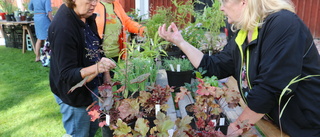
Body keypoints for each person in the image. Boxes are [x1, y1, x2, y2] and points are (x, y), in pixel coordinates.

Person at [158, 0, 320, 136]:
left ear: (244, 2)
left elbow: (270, 87)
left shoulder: (283, 24)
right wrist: (180, 42)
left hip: (306, 127)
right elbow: (214, 66)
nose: (221, 7)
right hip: (278, 123)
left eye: (225, 1)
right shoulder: (245, 34)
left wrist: (236, 126)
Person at [48, 0, 116, 136]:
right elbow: (67, 74)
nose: (94, 4)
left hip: (92, 87)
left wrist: (106, 75)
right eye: (89, 0)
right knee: (79, 133)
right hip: (74, 95)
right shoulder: (63, 28)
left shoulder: (86, 17)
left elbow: (96, 48)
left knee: (91, 130)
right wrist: (97, 68)